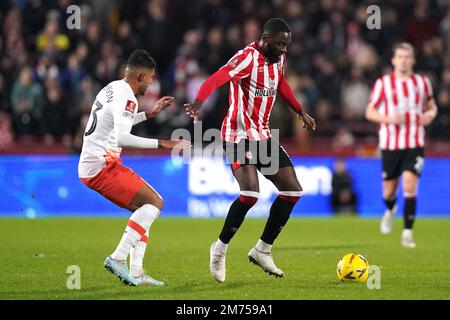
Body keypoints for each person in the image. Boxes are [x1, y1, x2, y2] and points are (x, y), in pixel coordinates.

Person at [184, 18, 316, 282]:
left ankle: (262, 250)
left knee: (292, 191)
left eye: (286, 45)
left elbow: (280, 84)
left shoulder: (278, 58)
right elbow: (218, 77)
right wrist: (199, 101)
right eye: (279, 44)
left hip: (263, 135)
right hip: (237, 135)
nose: (283, 50)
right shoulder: (246, 58)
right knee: (249, 195)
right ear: (265, 39)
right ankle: (219, 249)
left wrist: (300, 110)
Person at [78, 50, 190, 286]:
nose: (152, 83)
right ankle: (117, 259)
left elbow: (115, 122)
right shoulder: (128, 97)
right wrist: (163, 143)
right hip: (102, 165)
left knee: (143, 209)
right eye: (150, 78)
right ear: (140, 76)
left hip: (94, 163)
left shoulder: (113, 87)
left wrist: (148, 115)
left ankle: (137, 271)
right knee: (155, 203)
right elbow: (122, 138)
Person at [365, 42, 438, 248]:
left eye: (407, 57)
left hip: (415, 141)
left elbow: (431, 106)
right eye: (400, 57)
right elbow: (369, 111)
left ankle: (407, 233)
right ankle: (390, 209)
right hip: (390, 143)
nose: (403, 60)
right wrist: (388, 118)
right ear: (393, 60)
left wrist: (430, 116)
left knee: (409, 185)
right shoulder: (383, 83)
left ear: (413, 60)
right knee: (388, 191)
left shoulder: (423, 82)